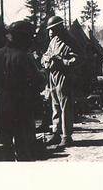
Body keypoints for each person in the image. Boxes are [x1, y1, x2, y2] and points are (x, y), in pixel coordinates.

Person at [0, 21, 46, 161]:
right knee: (24, 149)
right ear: (22, 37)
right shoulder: (23, 56)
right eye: (29, 37)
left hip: (0, 109)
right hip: (21, 109)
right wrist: (43, 74)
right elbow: (38, 82)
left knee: (3, 148)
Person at [41, 16, 83, 147]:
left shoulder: (70, 42)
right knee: (55, 106)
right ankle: (56, 133)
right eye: (49, 30)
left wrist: (62, 61)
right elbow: (46, 55)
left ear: (59, 28)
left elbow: (79, 59)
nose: (50, 32)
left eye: (52, 29)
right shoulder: (53, 41)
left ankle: (66, 136)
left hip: (64, 76)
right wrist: (46, 61)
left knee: (65, 107)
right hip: (52, 76)